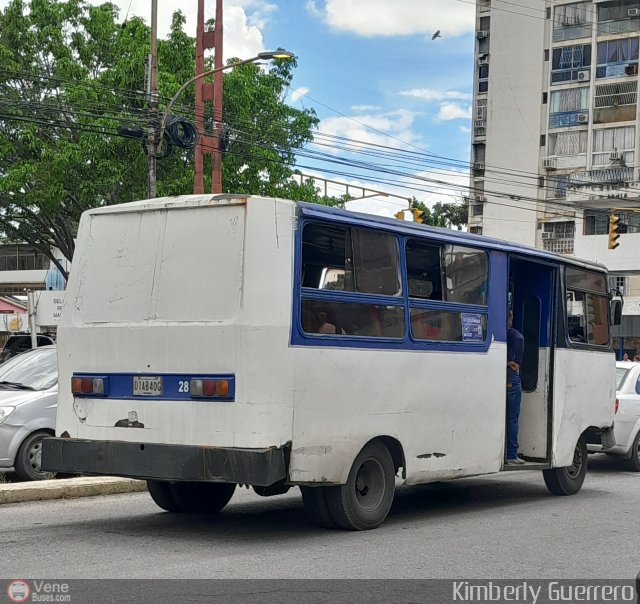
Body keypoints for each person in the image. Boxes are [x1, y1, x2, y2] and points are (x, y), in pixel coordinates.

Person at [506, 309, 525, 465]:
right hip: (511, 376)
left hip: (501, 375)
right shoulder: (513, 335)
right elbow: (520, 338)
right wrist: (516, 361)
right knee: (512, 418)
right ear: (510, 318)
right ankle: (511, 454)